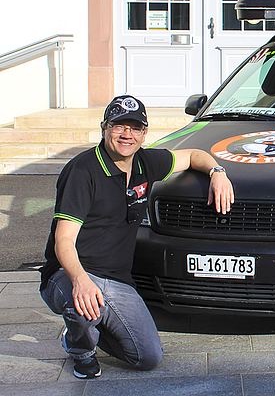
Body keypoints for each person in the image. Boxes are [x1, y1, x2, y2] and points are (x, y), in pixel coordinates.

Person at [39, 95, 234, 378]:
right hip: (69, 273)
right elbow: (64, 240)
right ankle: (80, 348)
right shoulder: (82, 171)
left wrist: (218, 172)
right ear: (104, 128)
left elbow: (193, 155)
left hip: (116, 278)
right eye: (119, 127)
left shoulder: (146, 162)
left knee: (148, 357)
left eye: (135, 128)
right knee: (81, 303)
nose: (127, 135)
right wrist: (80, 280)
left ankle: (93, 322)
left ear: (144, 133)